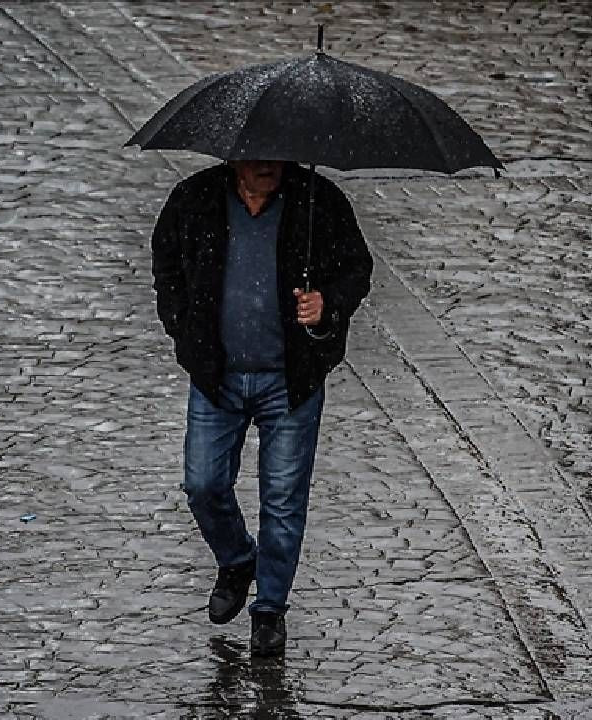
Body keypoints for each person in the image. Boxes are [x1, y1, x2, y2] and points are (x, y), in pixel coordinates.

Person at [149, 158, 373, 656]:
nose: (267, 165)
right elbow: (166, 264)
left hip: (289, 380)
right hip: (217, 377)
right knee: (203, 483)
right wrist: (184, 329)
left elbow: (357, 269)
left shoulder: (319, 201)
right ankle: (236, 558)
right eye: (256, 155)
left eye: (276, 154)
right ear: (234, 158)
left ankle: (270, 610)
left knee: (283, 500)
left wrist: (327, 303)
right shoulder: (196, 199)